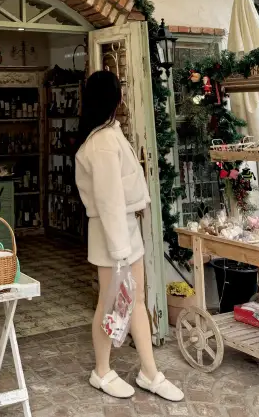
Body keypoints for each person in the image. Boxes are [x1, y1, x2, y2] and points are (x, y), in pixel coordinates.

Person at [75, 70, 184, 401]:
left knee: (133, 300)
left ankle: (149, 371)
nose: (123, 97)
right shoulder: (103, 142)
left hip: (123, 230)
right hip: (113, 233)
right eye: (120, 92)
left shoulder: (108, 134)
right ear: (113, 98)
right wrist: (120, 248)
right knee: (110, 304)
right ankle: (102, 370)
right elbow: (108, 200)